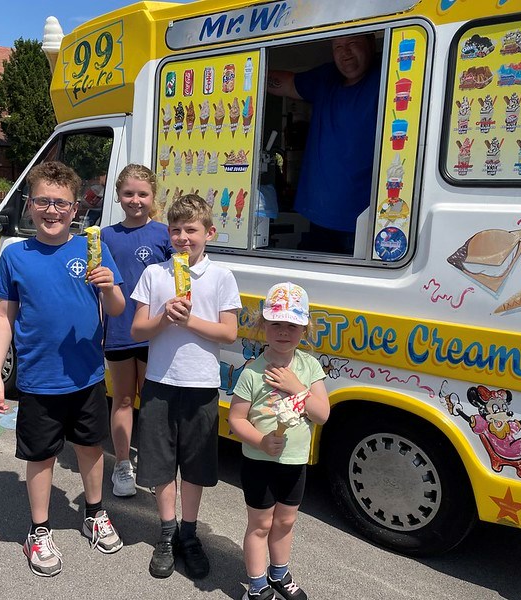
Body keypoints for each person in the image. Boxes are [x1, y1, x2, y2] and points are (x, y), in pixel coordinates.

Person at [0, 161, 126, 577]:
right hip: (38, 378)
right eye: (44, 201)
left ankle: (95, 513)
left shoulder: (92, 249)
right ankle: (39, 529)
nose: (52, 210)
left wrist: (109, 287)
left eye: (61, 203)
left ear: (75, 209)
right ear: (30, 205)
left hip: (86, 376)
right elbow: (3, 317)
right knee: (42, 456)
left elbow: (117, 309)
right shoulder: (15, 256)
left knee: (90, 448)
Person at [131, 193, 241, 580]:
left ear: (208, 232)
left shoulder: (221, 277)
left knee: (194, 466)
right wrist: (164, 317)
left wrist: (189, 319)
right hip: (161, 383)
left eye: (191, 230)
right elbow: (137, 329)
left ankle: (189, 535)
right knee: (161, 464)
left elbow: (229, 333)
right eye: (175, 230)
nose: (183, 238)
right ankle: (166, 532)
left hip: (201, 385)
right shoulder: (155, 275)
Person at [228, 282, 330, 600]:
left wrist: (296, 387)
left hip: (295, 461)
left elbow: (322, 414)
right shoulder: (252, 373)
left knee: (285, 521)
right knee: (260, 524)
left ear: (304, 328)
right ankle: (257, 587)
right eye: (276, 324)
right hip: (259, 462)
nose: (283, 332)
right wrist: (259, 440)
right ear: (263, 326)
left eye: (292, 325)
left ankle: (279, 574)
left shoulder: (309, 368)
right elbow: (236, 419)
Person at [268, 34, 380, 254]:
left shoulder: (389, 73)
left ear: (371, 44)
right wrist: (243, 70)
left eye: (352, 43)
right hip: (319, 216)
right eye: (338, 46)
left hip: (366, 219)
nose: (345, 52)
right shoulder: (326, 78)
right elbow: (287, 84)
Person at [101, 164, 171, 497]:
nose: (135, 200)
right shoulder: (106, 236)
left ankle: (156, 466)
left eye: (143, 194)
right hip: (118, 332)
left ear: (152, 196)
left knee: (154, 403)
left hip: (155, 332)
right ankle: (122, 464)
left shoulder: (164, 234)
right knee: (124, 399)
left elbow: (182, 278)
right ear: (118, 195)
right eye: (128, 193)